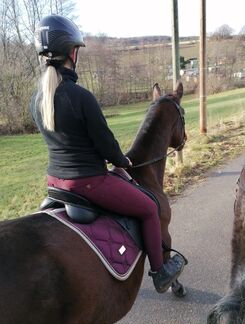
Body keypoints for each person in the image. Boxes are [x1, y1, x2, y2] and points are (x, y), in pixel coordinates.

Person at [32, 14, 185, 293]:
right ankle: (161, 271)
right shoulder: (80, 97)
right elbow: (105, 143)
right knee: (150, 208)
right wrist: (121, 161)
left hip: (55, 183)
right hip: (88, 182)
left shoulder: (39, 99)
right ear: (73, 52)